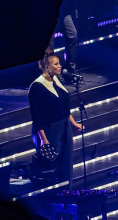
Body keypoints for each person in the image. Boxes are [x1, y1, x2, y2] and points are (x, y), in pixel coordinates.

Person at [28, 54, 84, 186]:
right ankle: (55, 194)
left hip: (64, 127)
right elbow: (37, 116)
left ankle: (67, 192)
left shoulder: (56, 80)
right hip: (49, 129)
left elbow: (63, 106)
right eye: (56, 64)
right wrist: (43, 139)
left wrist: (73, 123)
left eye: (59, 63)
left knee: (67, 162)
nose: (60, 66)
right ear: (47, 67)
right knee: (53, 164)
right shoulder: (37, 86)